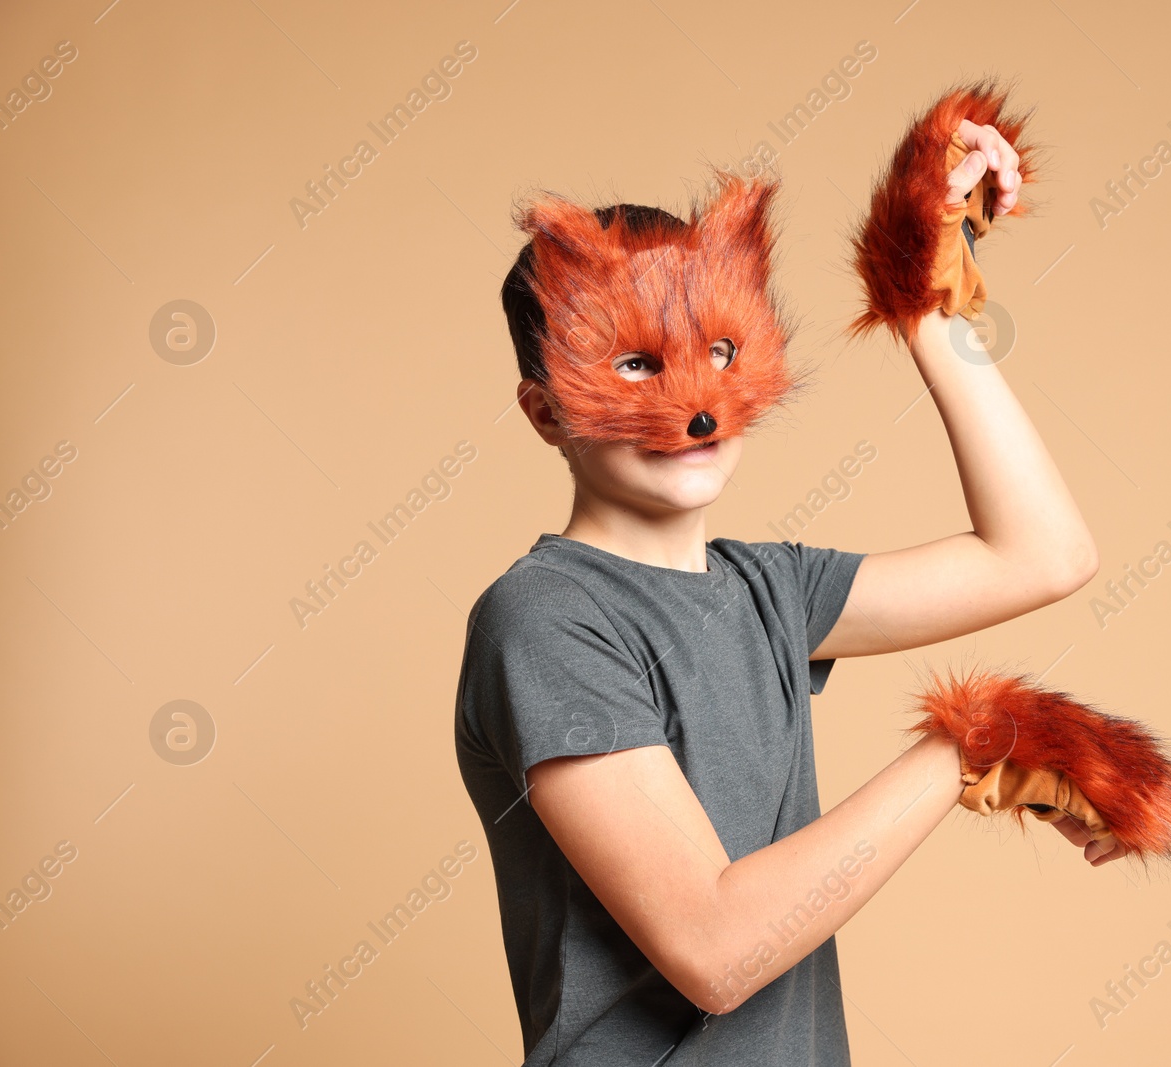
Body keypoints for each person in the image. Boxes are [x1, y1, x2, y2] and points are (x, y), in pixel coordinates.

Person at [454, 113, 1110, 1067]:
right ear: (544, 411)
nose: (698, 404)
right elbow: (718, 950)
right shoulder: (547, 619)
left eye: (718, 351)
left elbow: (1044, 552)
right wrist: (969, 747)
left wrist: (925, 306)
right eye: (637, 363)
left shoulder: (772, 592)